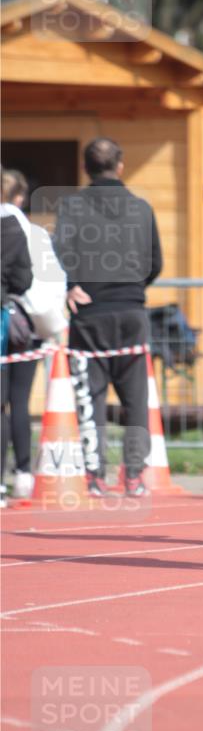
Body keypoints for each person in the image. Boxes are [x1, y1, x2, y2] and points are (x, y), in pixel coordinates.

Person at [54, 137, 163, 497]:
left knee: (91, 399)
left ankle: (94, 477)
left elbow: (59, 251)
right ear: (120, 165)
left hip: (89, 313)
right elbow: (155, 262)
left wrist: (72, 285)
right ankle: (134, 476)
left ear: (85, 168)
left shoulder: (72, 207)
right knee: (136, 400)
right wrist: (132, 287)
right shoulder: (141, 208)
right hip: (131, 312)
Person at [0, 169, 67, 498]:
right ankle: (24, 472)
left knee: (4, 403)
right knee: (19, 401)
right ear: (19, 197)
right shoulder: (33, 233)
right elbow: (40, 278)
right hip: (28, 323)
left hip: (11, 319)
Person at [1, 177, 33, 508]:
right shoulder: (19, 228)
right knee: (16, 401)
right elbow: (25, 279)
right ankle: (22, 473)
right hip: (18, 323)